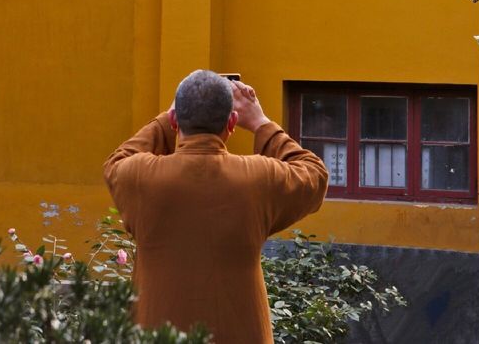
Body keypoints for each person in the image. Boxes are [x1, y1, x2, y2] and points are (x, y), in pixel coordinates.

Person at [103, 70, 329, 343]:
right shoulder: (257, 178)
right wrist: (260, 123)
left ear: (176, 120)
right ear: (232, 122)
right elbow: (315, 174)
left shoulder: (140, 177)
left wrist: (166, 119)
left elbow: (117, 161)